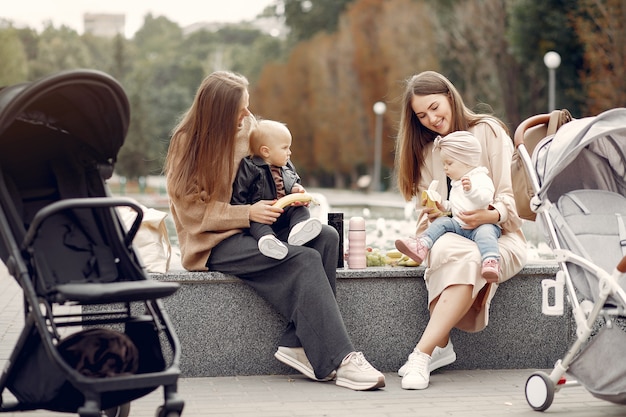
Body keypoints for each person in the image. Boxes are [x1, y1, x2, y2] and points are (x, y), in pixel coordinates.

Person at [164, 70, 385, 391]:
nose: (247, 116)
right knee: (303, 260)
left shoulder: (248, 128)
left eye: (247, 107)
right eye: (239, 110)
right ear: (217, 112)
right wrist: (247, 213)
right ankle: (341, 359)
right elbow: (193, 212)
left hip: (260, 225)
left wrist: (293, 192)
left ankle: (297, 344)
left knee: (326, 238)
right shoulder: (186, 143)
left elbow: (276, 167)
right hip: (213, 243)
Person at [393, 71, 527, 390]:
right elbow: (429, 217)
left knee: (471, 258)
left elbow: (512, 201)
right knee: (452, 250)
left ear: (450, 97)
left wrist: (489, 214)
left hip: (498, 236)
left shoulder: (489, 132)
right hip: (451, 233)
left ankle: (423, 353)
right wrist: (433, 211)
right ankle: (437, 346)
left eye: (435, 107)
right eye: (422, 115)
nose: (431, 119)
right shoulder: (429, 152)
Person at [395, 130, 502, 282]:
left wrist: (471, 190)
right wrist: (443, 206)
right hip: (460, 224)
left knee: (486, 233)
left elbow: (485, 199)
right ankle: (422, 245)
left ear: (467, 161)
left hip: (480, 225)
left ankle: (490, 261)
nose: (445, 168)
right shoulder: (457, 182)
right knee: (443, 222)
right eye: (444, 164)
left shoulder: (480, 177)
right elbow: (456, 206)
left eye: (449, 163)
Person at [231, 119, 322, 260]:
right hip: (263, 214)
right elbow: (239, 194)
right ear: (266, 151)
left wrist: (296, 189)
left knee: (300, 209)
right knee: (257, 224)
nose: (289, 152)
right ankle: (268, 240)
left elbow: (293, 181)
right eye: (285, 148)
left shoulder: (286, 166)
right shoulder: (250, 167)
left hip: (284, 211)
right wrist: (248, 209)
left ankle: (298, 229)